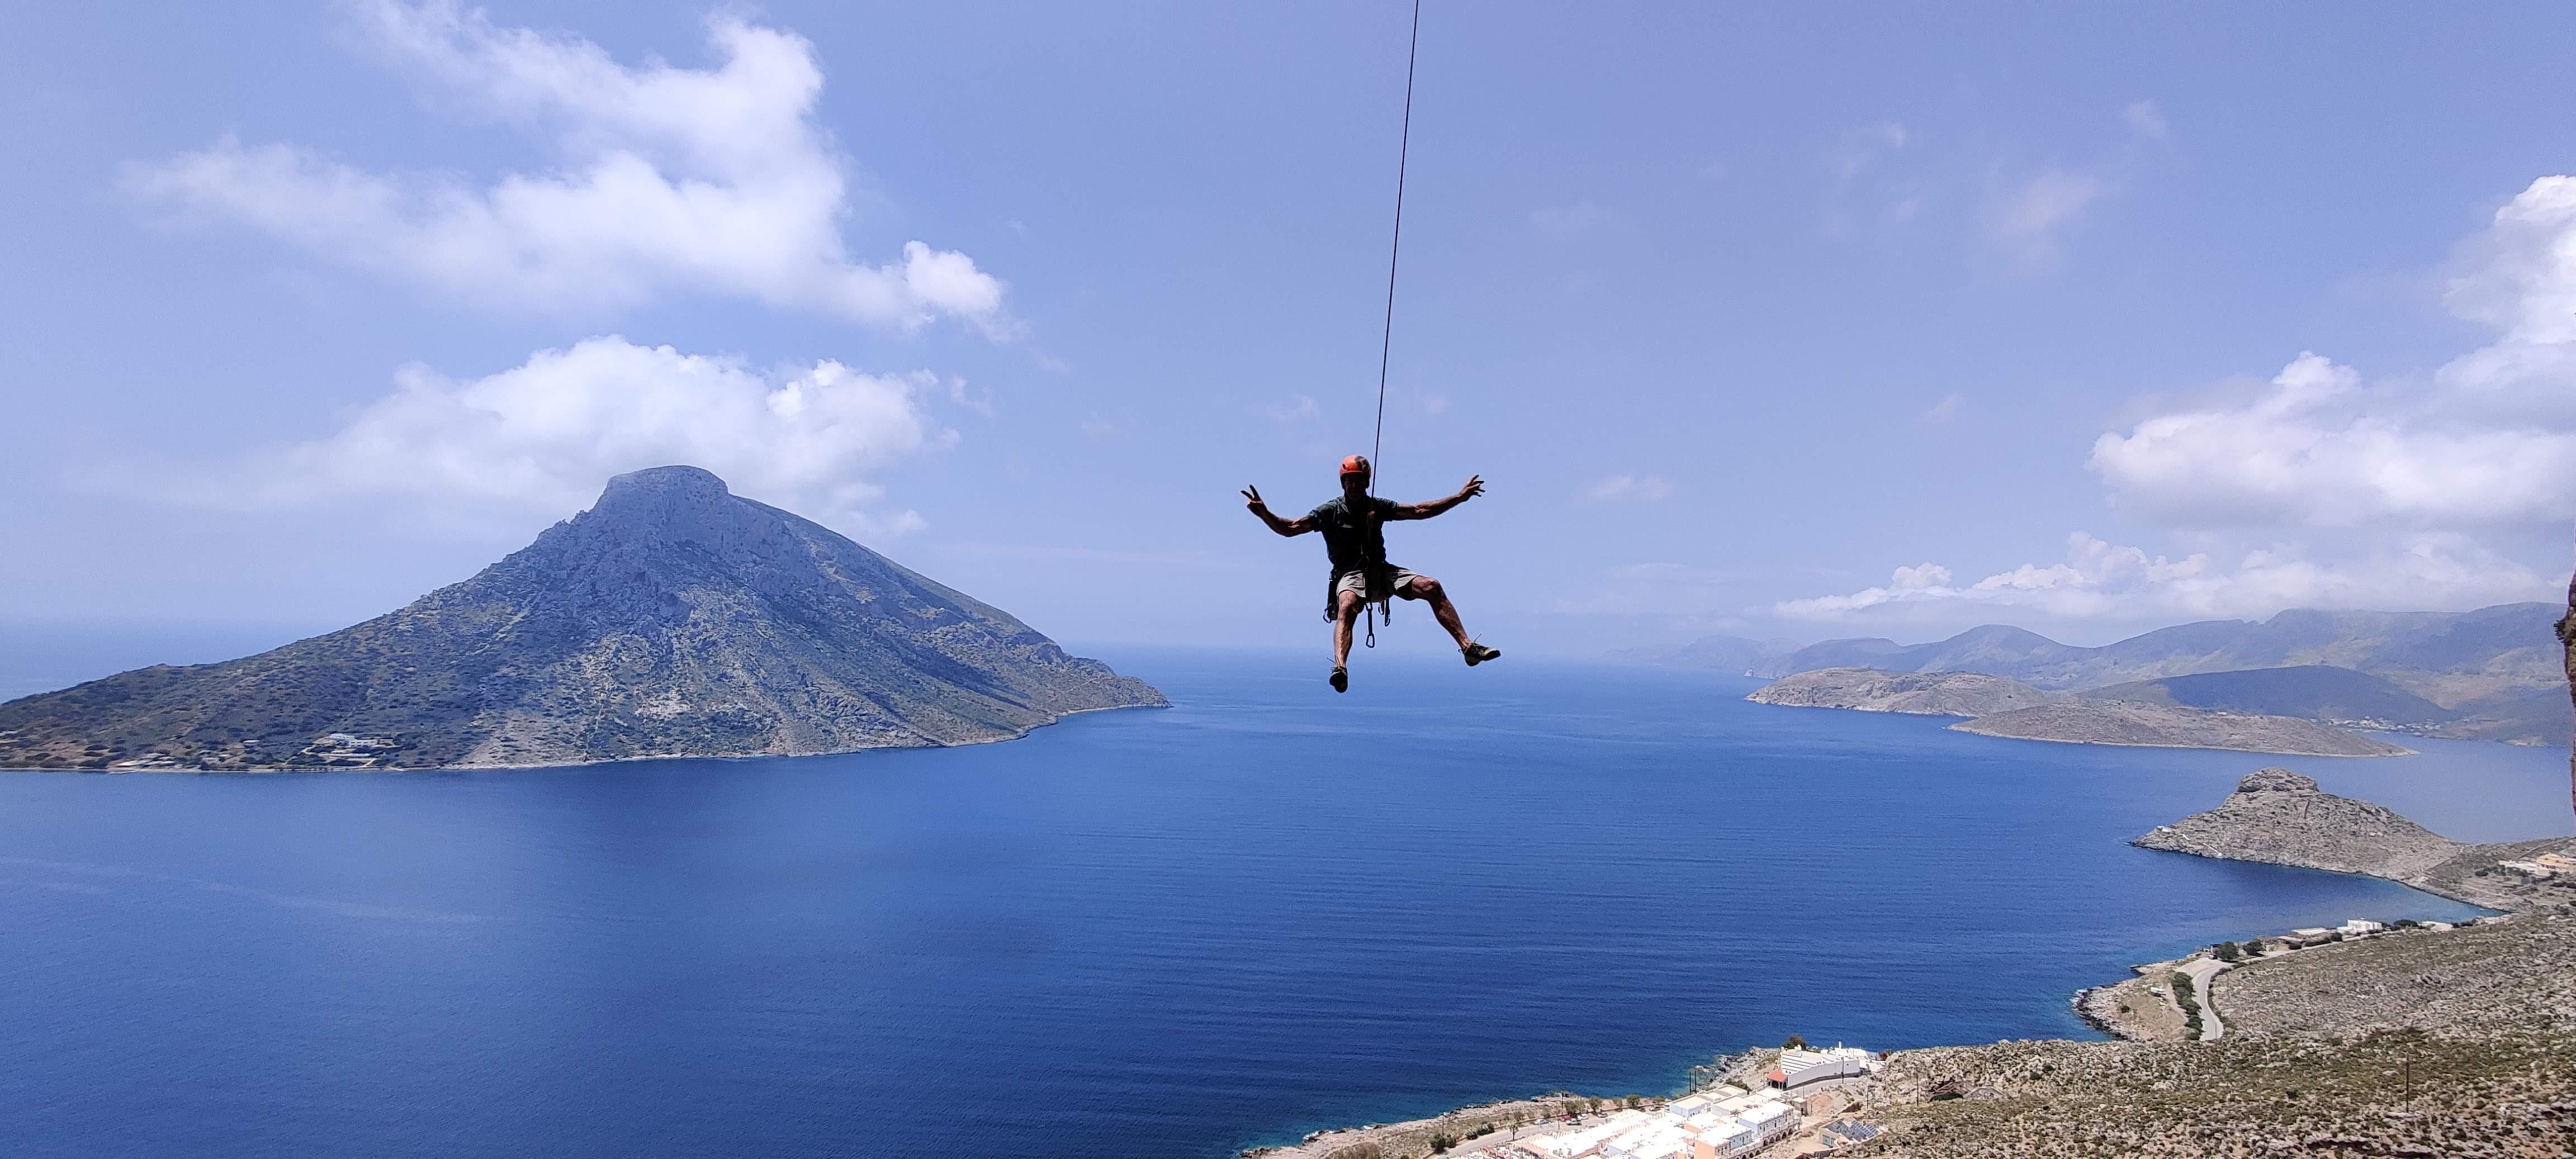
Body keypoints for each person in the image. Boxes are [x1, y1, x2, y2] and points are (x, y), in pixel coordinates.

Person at [1242, 454, 1500, 692]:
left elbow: (1420, 511)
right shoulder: (1329, 511)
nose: (1354, 486)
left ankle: (1468, 647)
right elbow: (1291, 528)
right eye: (1349, 481)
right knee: (1347, 604)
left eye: (1359, 481)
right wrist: (1264, 513)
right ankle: (1340, 668)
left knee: (1431, 586)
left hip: (1381, 571)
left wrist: (1459, 497)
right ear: (1342, 483)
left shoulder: (1377, 506)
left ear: (1367, 483)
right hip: (1350, 574)